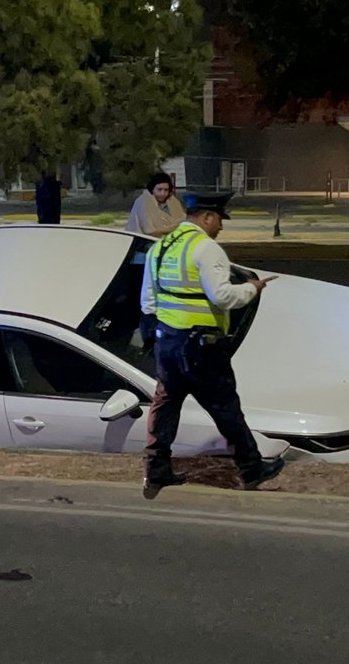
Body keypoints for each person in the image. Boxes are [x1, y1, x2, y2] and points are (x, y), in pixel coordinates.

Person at [138, 191, 285, 498]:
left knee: (165, 407)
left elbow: (148, 303)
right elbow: (224, 296)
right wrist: (252, 288)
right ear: (206, 217)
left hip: (168, 344)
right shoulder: (206, 248)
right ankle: (251, 468)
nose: (221, 227)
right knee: (225, 407)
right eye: (219, 219)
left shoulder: (160, 248)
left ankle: (156, 471)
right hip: (201, 347)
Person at [124, 172, 186, 238]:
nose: (163, 193)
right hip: (143, 241)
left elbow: (182, 220)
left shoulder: (172, 201)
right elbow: (150, 231)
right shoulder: (143, 202)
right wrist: (174, 228)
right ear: (152, 189)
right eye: (159, 189)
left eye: (166, 190)